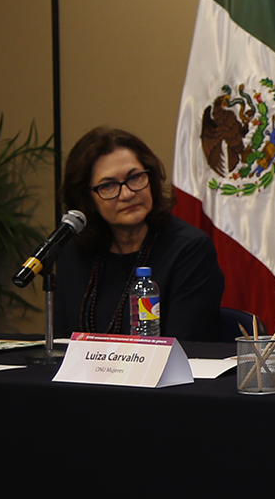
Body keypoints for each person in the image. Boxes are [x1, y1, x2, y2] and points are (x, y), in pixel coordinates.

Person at [52, 126, 226, 341]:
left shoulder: (189, 249)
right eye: (108, 185)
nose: (126, 194)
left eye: (135, 177)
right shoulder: (73, 251)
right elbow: (62, 341)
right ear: (87, 198)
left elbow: (186, 344)